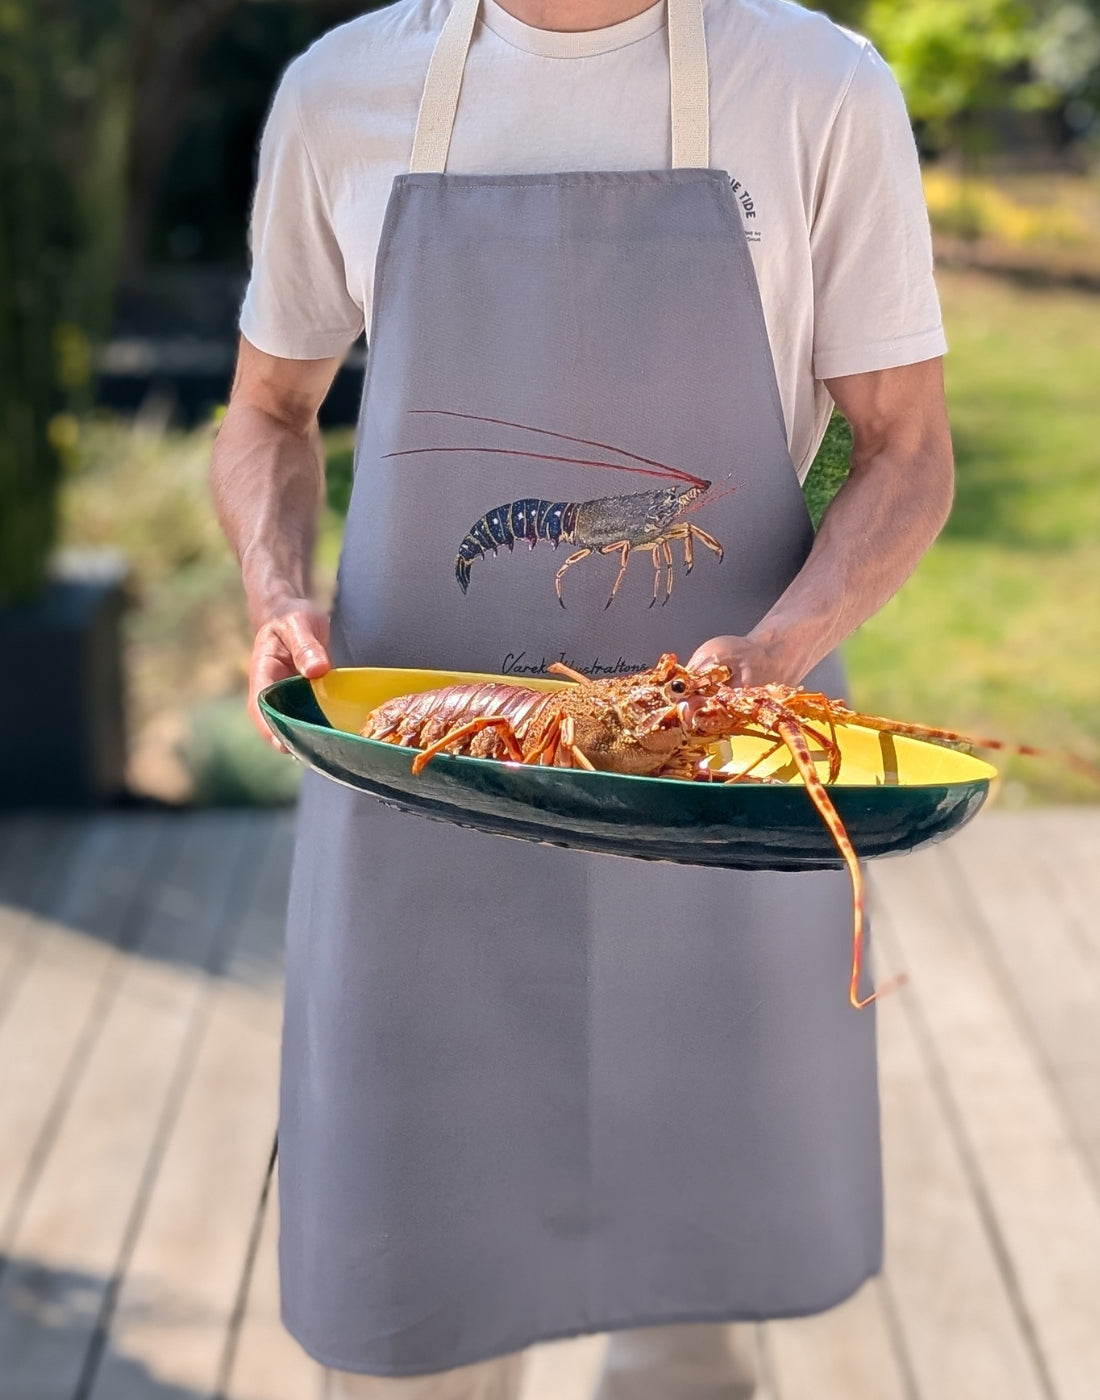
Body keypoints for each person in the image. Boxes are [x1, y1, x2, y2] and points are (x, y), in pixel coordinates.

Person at [211, 1, 954, 1396]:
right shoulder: (342, 91)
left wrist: (786, 644)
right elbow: (265, 412)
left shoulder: (819, 87)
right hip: (425, 786)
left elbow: (906, 445)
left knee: (693, 1304)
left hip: (715, 771)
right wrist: (276, 595)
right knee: (420, 1291)